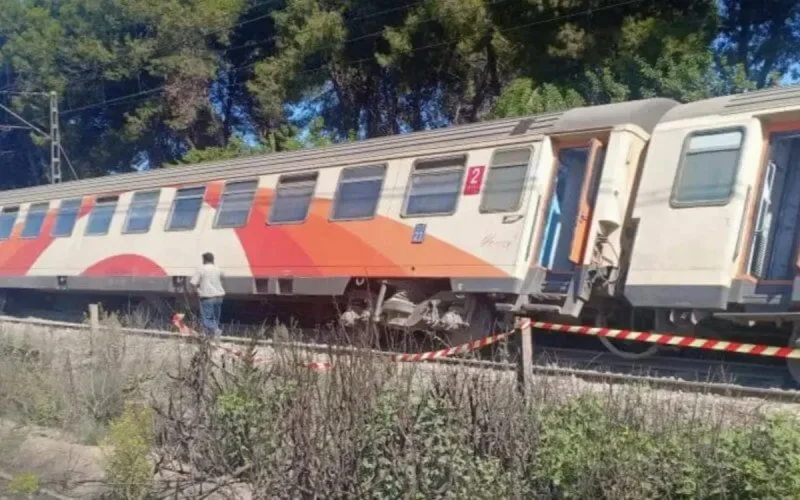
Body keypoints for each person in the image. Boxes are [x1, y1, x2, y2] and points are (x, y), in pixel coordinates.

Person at [190, 252, 225, 336]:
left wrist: (197, 291)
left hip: (207, 297)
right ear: (213, 259)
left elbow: (192, 283)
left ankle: (215, 331)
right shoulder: (218, 269)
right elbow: (222, 280)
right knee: (215, 318)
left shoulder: (201, 269)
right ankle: (212, 336)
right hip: (219, 297)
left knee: (206, 319)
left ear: (204, 260)